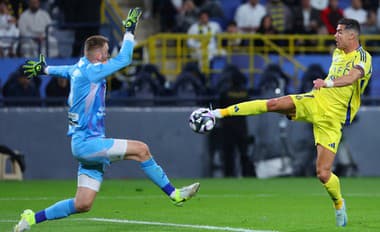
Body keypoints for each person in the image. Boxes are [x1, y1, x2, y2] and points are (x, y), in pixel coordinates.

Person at [14, 8, 200, 232]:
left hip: (84, 144)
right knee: (142, 150)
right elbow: (126, 58)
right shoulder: (93, 71)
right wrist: (129, 31)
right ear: (99, 55)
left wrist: (45, 69)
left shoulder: (78, 68)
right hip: (88, 143)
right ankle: (175, 194)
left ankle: (31, 219)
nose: (108, 56)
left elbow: (64, 70)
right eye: (106, 52)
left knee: (82, 204)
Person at [211, 18, 372, 227]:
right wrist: (322, 88)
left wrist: (327, 82)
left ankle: (339, 203)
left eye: (339, 32)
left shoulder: (363, 57)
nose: (335, 35)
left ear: (352, 35)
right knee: (274, 104)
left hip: (333, 120)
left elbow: (351, 78)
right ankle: (219, 113)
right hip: (316, 101)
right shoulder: (337, 53)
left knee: (323, 174)